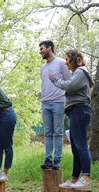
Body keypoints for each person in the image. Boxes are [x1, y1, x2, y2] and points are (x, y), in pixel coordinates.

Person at [49, 49, 93, 188]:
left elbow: (69, 86)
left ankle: (85, 177)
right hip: (75, 111)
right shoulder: (77, 73)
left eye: (67, 59)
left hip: (80, 110)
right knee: (75, 147)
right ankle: (74, 179)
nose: (66, 62)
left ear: (75, 59)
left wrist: (55, 79)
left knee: (81, 145)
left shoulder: (81, 71)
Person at [39, 40, 71, 170]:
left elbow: (69, 81)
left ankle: (57, 161)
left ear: (50, 48)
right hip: (45, 103)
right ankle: (48, 160)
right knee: (47, 133)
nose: (40, 51)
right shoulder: (42, 68)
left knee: (57, 132)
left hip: (59, 102)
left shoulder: (61, 63)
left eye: (42, 49)